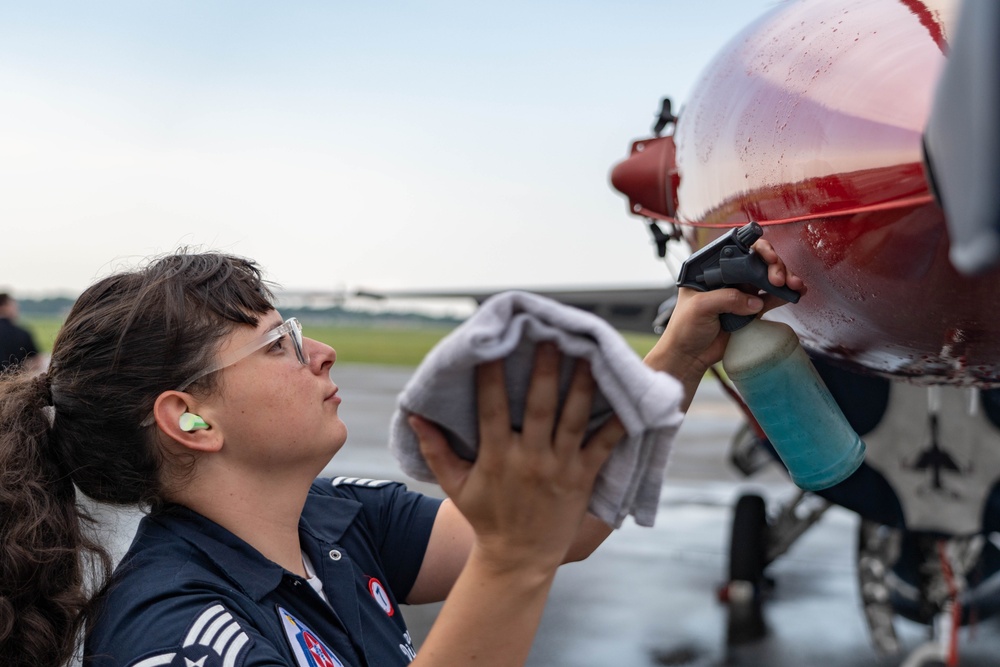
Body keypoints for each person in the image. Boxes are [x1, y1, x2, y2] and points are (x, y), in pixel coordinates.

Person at [0, 244, 801, 667]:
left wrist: (685, 349)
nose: (323, 352)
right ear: (192, 419)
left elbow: (565, 528)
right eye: (279, 343)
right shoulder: (169, 633)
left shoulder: (336, 517)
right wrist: (513, 561)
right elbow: (522, 547)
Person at [0, 292, 41, 373]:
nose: (17, 309)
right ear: (4, 307)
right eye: (13, 306)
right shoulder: (22, 333)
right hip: (15, 383)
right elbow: (37, 361)